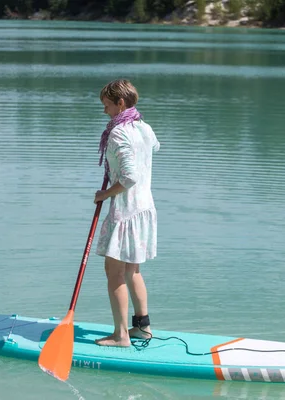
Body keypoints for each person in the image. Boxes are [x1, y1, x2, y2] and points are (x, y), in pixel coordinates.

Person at [92, 79, 160, 347]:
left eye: (107, 105)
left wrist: (104, 194)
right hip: (145, 208)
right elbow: (155, 147)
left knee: (114, 272)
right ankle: (143, 328)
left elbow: (129, 177)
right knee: (133, 271)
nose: (105, 111)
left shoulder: (118, 133)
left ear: (121, 103)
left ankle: (121, 336)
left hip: (125, 211)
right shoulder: (144, 127)